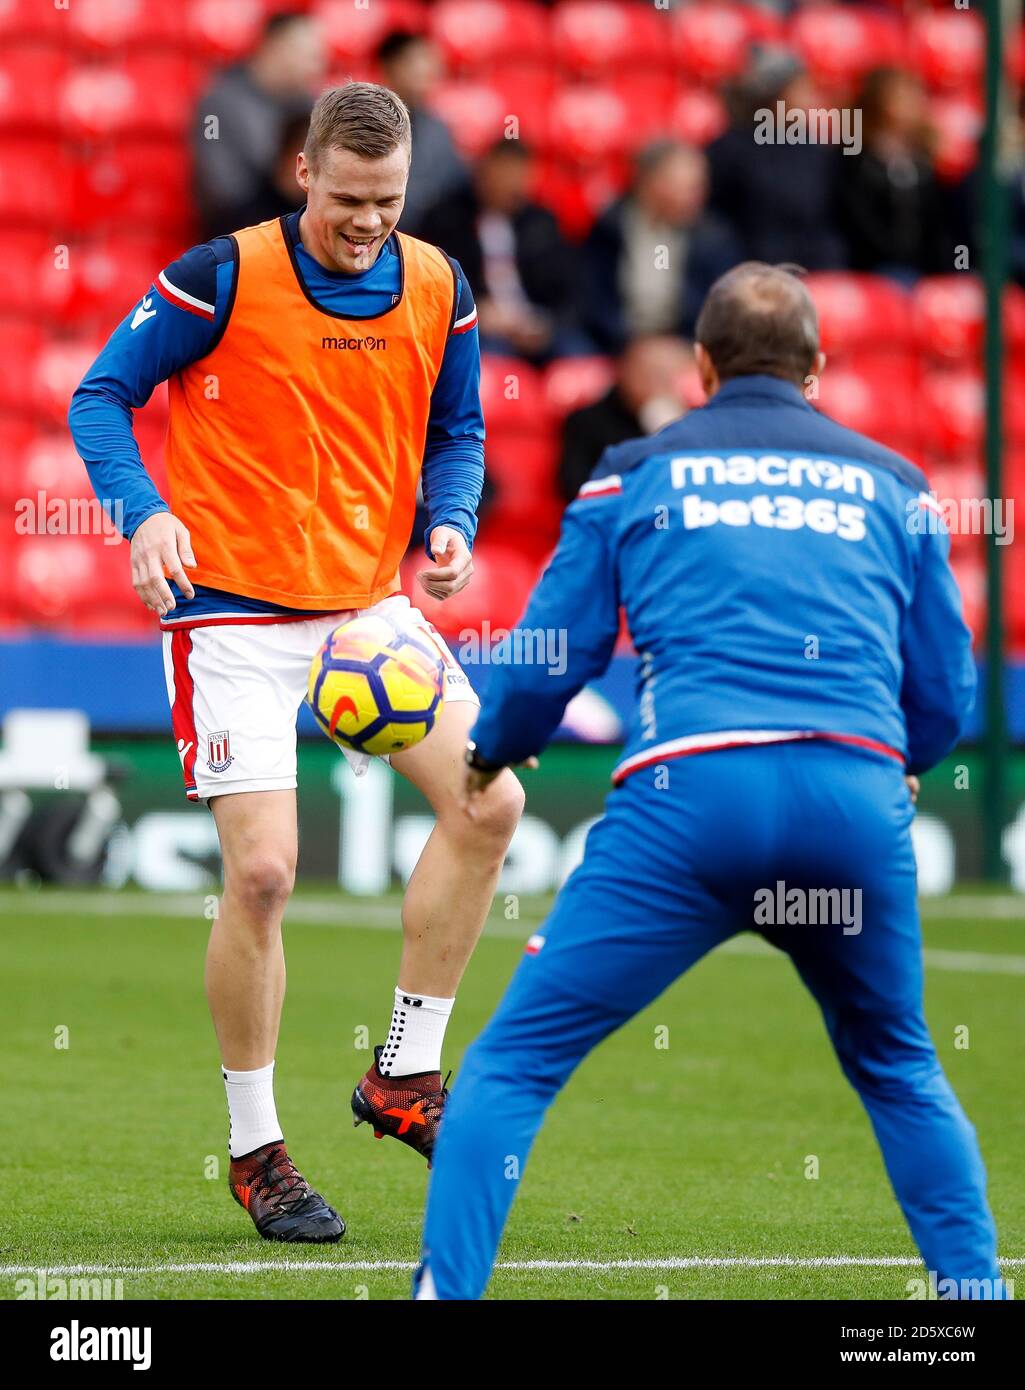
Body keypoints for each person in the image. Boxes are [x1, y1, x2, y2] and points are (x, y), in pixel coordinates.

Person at [414, 263, 1005, 1300]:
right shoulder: (896, 485)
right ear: (817, 371)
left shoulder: (627, 474)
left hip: (690, 809)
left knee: (508, 1069)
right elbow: (946, 689)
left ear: (697, 368)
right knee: (900, 1068)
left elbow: (553, 650)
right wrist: (900, 763)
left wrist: (490, 750)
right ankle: (971, 1299)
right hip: (849, 808)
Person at [69, 82, 524, 1245]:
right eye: (348, 197)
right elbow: (102, 394)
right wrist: (141, 513)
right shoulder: (222, 272)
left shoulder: (437, 283)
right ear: (303, 173)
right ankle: (257, 1150)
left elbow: (458, 425)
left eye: (389, 198)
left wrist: (451, 518)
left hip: (368, 612)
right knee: (264, 875)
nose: (368, 219)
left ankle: (403, 1075)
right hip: (228, 613)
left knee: (493, 802)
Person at [419, 138, 581, 361]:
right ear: (483, 173)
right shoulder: (447, 220)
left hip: (536, 328)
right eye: (505, 175)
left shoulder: (542, 223)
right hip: (478, 326)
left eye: (520, 177)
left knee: (578, 355)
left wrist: (544, 322)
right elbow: (435, 286)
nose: (513, 185)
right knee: (488, 359)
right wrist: (477, 310)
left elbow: (567, 292)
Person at [582, 141, 741, 353]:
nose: (697, 197)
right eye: (687, 189)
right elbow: (593, 300)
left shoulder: (713, 237)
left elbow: (723, 308)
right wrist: (627, 346)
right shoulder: (609, 228)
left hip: (687, 345)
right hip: (616, 346)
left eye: (700, 187)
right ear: (650, 183)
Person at [191, 9, 325, 240]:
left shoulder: (310, 105)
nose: (317, 66)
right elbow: (219, 191)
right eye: (309, 55)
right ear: (276, 47)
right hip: (239, 239)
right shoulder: (217, 107)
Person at [706, 52, 846, 271]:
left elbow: (826, 219)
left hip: (813, 266)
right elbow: (718, 220)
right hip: (752, 267)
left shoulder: (814, 150)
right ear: (774, 97)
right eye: (800, 90)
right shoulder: (730, 149)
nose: (810, 100)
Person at [837, 67, 951, 279]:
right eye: (904, 96)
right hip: (872, 269)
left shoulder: (924, 160)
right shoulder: (856, 159)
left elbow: (937, 225)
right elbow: (858, 222)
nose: (915, 103)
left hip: (922, 270)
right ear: (879, 101)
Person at [557, 335, 695, 502]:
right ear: (625, 371)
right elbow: (575, 485)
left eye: (668, 378)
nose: (658, 386)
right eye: (651, 375)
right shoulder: (586, 421)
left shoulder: (692, 420)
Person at [376, 29, 467, 237]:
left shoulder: (439, 129)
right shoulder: (365, 123)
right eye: (416, 60)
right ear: (391, 67)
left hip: (431, 240)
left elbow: (456, 186)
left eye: (430, 61)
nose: (427, 70)